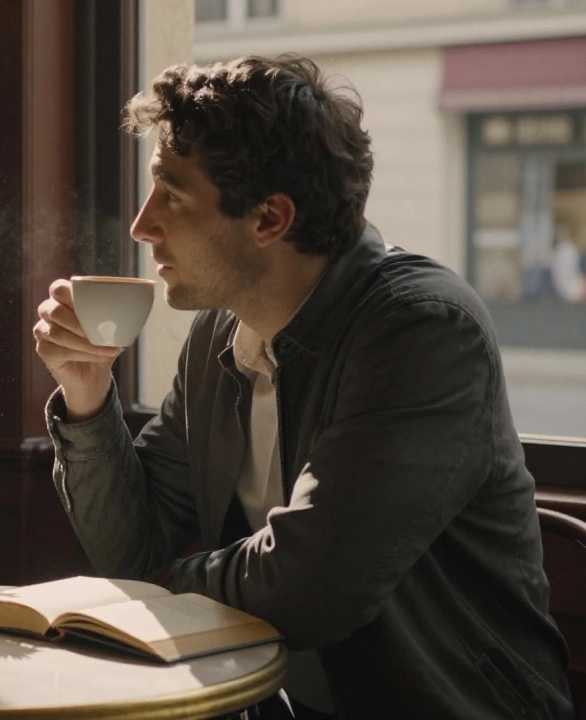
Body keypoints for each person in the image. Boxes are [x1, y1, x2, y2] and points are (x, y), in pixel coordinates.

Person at [32, 55, 573, 719]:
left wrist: (159, 587)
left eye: (170, 195)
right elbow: (134, 546)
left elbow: (312, 585)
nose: (143, 225)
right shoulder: (217, 338)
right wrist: (87, 396)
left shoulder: (422, 328)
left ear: (269, 220)